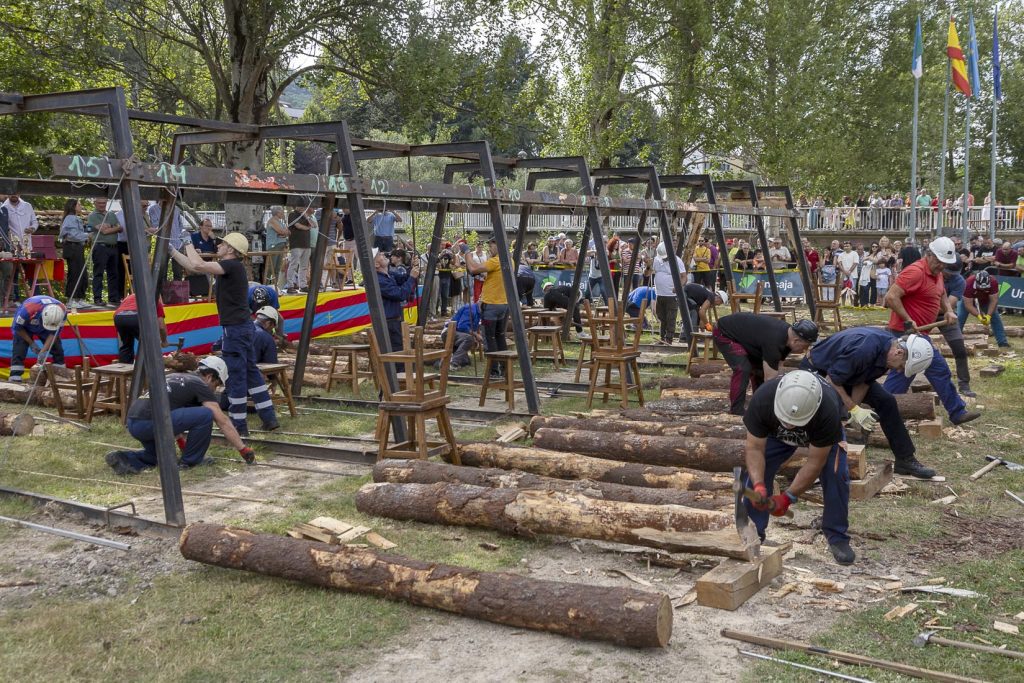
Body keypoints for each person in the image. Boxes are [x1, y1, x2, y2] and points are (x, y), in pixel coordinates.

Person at [170, 231, 279, 435]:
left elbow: (199, 265)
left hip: (235, 330)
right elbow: (193, 266)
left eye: (222, 244)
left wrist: (187, 241)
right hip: (243, 327)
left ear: (231, 249)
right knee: (252, 374)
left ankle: (239, 427)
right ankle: (269, 417)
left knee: (236, 377)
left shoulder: (231, 265)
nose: (218, 246)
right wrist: (173, 251)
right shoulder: (231, 267)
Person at [741, 370, 855, 565]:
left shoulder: (827, 411)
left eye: (794, 423)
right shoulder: (763, 399)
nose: (790, 426)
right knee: (753, 473)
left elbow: (814, 463)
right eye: (786, 421)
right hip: (775, 435)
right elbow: (754, 449)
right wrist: (759, 485)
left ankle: (837, 536)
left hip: (819, 434)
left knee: (836, 474)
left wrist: (787, 497)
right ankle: (752, 533)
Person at [802, 327, 938, 479]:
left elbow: (863, 382)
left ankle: (905, 459)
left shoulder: (887, 353)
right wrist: (852, 408)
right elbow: (832, 380)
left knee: (887, 401)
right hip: (818, 370)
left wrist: (852, 412)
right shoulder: (863, 350)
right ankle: (817, 458)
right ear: (899, 352)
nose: (899, 371)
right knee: (830, 407)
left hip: (842, 373)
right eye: (901, 366)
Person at [882, 237, 980, 426]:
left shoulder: (937, 272)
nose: (942, 267)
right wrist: (908, 319)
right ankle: (882, 411)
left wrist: (949, 310)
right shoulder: (915, 272)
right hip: (904, 334)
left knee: (929, 371)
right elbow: (891, 297)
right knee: (907, 373)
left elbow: (941, 293)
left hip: (919, 335)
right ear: (929, 255)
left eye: (945, 263)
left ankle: (956, 412)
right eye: (939, 262)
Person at [105, 357, 254, 473]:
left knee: (158, 459)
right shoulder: (200, 385)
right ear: (209, 376)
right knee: (205, 414)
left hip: (134, 423)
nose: (215, 389)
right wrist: (242, 449)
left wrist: (183, 446)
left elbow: (175, 417)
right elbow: (222, 421)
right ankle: (191, 461)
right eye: (217, 384)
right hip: (151, 423)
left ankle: (124, 459)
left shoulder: (177, 377)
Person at [712, 313, 818, 415]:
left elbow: (778, 367)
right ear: (796, 341)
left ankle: (759, 404)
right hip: (724, 332)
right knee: (743, 369)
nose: (805, 350)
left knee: (759, 371)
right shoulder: (774, 342)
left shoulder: (787, 338)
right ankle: (736, 410)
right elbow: (770, 381)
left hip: (745, 337)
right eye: (805, 346)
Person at [467, 238, 509, 371]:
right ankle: (504, 367)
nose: (489, 249)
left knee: (489, 338)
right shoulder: (509, 260)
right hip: (503, 304)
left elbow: (473, 269)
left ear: (499, 246)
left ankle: (493, 370)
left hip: (491, 305)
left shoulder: (496, 261)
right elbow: (491, 276)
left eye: (491, 246)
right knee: (499, 336)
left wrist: (467, 253)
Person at [938, 260, 975, 397]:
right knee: (910, 345)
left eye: (953, 273)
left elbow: (949, 304)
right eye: (947, 272)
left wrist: (944, 311)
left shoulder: (959, 281)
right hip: (924, 313)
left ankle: (964, 384)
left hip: (947, 315)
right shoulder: (932, 275)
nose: (949, 275)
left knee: (959, 349)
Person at [9, 296, 66, 382]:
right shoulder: (28, 309)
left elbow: (53, 334)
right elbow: (18, 328)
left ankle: (60, 376)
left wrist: (43, 350)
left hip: (47, 328)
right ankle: (15, 377)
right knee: (19, 348)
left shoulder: (62, 311)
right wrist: (31, 343)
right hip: (25, 327)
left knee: (57, 349)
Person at [374, 248, 420, 351]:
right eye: (379, 255)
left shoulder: (388, 275)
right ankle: (399, 367)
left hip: (393, 320)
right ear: (377, 265)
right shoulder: (380, 280)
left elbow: (403, 278)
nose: (383, 254)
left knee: (400, 347)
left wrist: (412, 267)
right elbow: (400, 294)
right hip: (389, 322)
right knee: (397, 350)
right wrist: (412, 277)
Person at [959, 271, 1010, 348]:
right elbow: (968, 305)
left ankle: (1002, 342)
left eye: (985, 288)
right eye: (981, 288)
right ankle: (955, 341)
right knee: (960, 318)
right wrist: (979, 316)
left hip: (985, 300)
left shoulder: (993, 282)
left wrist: (988, 316)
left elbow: (994, 301)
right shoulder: (968, 283)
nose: (983, 289)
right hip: (968, 300)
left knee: (995, 318)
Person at [113, 294, 169, 364]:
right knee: (150, 344)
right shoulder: (155, 300)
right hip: (135, 316)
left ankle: (125, 369)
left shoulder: (130, 297)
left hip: (119, 317)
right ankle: (151, 371)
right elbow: (161, 326)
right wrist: (164, 341)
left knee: (126, 346)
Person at [87, 197, 122, 306]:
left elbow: (120, 228)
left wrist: (109, 227)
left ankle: (114, 298)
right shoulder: (92, 216)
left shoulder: (112, 214)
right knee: (98, 273)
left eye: (104, 203)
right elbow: (104, 231)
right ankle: (97, 298)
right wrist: (113, 228)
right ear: (95, 203)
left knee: (114, 273)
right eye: (100, 203)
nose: (102, 205)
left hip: (113, 247)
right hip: (100, 247)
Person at [653, 242, 687, 345]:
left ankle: (669, 338)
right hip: (660, 294)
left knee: (670, 317)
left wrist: (678, 287)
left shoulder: (677, 260)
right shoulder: (656, 260)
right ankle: (662, 337)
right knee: (661, 317)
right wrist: (648, 267)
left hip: (671, 295)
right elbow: (648, 273)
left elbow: (684, 276)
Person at [58, 199, 90, 308]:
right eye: (79, 205)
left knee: (82, 273)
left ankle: (79, 297)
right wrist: (87, 235)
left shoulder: (75, 218)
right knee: (75, 273)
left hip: (77, 247)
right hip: (72, 247)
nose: (80, 206)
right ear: (73, 206)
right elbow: (72, 235)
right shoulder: (70, 218)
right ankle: (71, 299)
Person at [443, 302, 481, 369]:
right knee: (469, 339)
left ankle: (445, 361)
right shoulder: (470, 309)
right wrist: (475, 335)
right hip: (448, 332)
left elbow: (471, 328)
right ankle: (453, 363)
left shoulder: (478, 312)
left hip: (458, 334)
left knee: (465, 362)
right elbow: (462, 326)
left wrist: (475, 336)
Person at [285, 207, 314, 292]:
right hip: (296, 244)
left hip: (306, 244)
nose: (302, 207)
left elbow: (313, 225)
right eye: (300, 205)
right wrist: (307, 228)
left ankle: (303, 285)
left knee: (304, 266)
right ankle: (290, 286)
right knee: (294, 265)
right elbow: (298, 225)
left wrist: (306, 216)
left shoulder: (306, 215)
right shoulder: (292, 214)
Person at [188, 218, 218, 298]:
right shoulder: (194, 236)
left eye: (210, 226)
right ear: (201, 227)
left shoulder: (212, 238)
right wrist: (195, 250)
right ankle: (211, 295)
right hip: (198, 264)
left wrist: (214, 239)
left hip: (211, 263)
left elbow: (217, 251)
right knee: (207, 273)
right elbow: (188, 249)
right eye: (207, 226)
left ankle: (215, 295)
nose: (209, 228)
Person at [264, 206, 289, 287]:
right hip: (274, 246)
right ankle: (266, 285)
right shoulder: (272, 221)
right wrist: (283, 233)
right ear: (277, 213)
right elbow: (281, 231)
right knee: (271, 268)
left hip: (280, 246)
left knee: (277, 268)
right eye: (282, 212)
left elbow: (288, 232)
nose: (283, 214)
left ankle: (275, 286)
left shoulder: (280, 222)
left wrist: (284, 232)